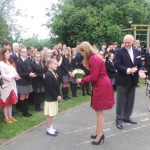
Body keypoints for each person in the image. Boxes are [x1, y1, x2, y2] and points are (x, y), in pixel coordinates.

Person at [76, 41, 115, 145]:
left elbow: (93, 77)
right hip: (101, 84)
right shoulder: (94, 58)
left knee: (98, 112)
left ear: (85, 50)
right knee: (98, 110)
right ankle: (98, 131)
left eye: (81, 52)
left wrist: (81, 80)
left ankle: (100, 135)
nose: (81, 54)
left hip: (101, 85)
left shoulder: (94, 59)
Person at [114, 34, 146, 130]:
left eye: (128, 42)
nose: (126, 44)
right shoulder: (119, 51)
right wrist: (129, 70)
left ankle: (126, 117)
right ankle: (119, 119)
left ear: (132, 42)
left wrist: (140, 71)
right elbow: (116, 65)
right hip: (122, 80)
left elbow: (140, 64)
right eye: (125, 42)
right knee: (121, 100)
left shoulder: (137, 51)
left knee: (130, 100)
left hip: (133, 80)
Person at [0, 48, 20, 124]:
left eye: (9, 53)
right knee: (6, 101)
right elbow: (3, 75)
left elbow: (15, 72)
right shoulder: (1, 63)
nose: (9, 54)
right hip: (6, 84)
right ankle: (6, 117)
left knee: (11, 101)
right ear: (3, 54)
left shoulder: (10, 62)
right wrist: (12, 77)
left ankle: (10, 116)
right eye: (7, 53)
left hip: (13, 84)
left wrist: (17, 76)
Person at [16, 47, 36, 117]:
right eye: (23, 52)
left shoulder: (29, 60)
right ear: (20, 53)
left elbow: (30, 69)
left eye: (26, 51)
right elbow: (20, 73)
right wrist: (29, 74)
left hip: (28, 80)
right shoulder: (18, 61)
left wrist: (31, 73)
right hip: (22, 81)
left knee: (27, 95)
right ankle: (24, 112)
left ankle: (26, 110)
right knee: (22, 96)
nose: (25, 53)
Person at [44, 58, 62, 136]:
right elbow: (50, 88)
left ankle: (50, 127)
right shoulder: (48, 74)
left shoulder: (53, 73)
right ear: (49, 65)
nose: (56, 65)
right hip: (50, 98)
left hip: (53, 97)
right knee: (50, 115)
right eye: (54, 63)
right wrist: (57, 96)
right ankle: (48, 130)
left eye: (56, 63)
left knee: (52, 114)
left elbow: (56, 85)